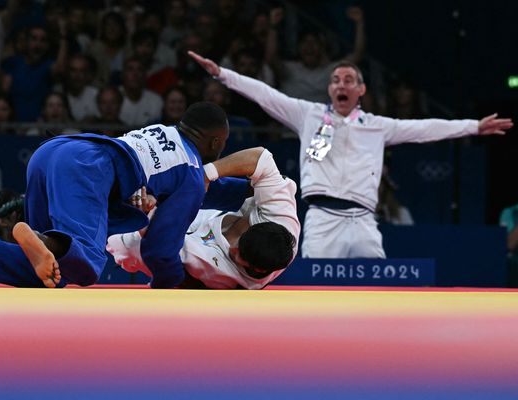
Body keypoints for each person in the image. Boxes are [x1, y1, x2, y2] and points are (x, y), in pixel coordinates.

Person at [188, 51, 513, 258]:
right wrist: (222, 74)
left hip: (362, 222)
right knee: (314, 291)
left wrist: (474, 126)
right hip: (321, 219)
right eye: (335, 80)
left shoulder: (378, 126)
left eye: (348, 80)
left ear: (360, 90)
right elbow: (266, 95)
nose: (340, 84)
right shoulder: (308, 114)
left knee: (378, 291)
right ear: (330, 89)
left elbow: (424, 128)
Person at [0, 101, 230, 289]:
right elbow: (159, 250)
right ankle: (39, 240)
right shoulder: (191, 172)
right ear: (216, 143)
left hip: (56, 151)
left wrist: (249, 188)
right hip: (87, 168)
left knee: (51, 274)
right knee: (87, 262)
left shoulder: (164, 131)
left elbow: (201, 189)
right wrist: (174, 282)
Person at [107, 146, 300, 289]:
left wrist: (147, 210)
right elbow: (261, 158)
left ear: (256, 270)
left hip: (195, 253)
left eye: (238, 256)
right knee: (191, 180)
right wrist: (205, 175)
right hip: (218, 218)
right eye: (238, 243)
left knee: (125, 242)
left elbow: (161, 242)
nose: (233, 249)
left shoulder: (220, 271)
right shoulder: (281, 219)